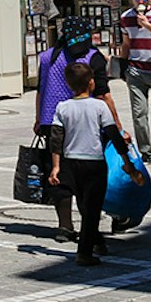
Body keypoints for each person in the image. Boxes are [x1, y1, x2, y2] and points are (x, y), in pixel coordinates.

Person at [50, 60, 147, 266]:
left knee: (85, 207)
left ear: (68, 84)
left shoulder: (62, 107)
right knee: (92, 209)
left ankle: (97, 241)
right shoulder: (100, 106)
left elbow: (56, 138)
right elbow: (113, 134)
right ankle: (84, 253)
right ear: (92, 83)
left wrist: (56, 166)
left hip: (70, 163)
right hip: (94, 163)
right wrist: (126, 161)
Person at [36, 17, 123, 243]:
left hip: (52, 121)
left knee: (59, 174)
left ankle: (65, 225)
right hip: (86, 123)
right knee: (88, 178)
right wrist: (118, 125)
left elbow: (40, 89)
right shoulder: (93, 58)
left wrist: (38, 119)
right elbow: (103, 93)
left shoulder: (48, 56)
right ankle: (89, 229)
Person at [118, 0, 151, 160]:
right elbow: (126, 43)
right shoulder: (125, 17)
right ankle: (146, 152)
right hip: (136, 70)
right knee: (139, 113)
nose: (139, 0)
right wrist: (122, 66)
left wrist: (147, 25)